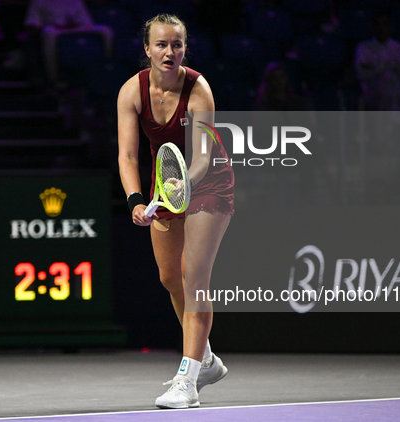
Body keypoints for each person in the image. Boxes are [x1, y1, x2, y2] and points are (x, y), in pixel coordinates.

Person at [117, 14, 234, 409]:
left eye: (177, 45)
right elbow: (128, 155)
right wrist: (135, 198)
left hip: (209, 184)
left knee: (193, 276)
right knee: (170, 278)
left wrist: (187, 182)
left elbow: (201, 156)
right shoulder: (131, 92)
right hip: (165, 185)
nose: (170, 52)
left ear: (185, 48)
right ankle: (207, 360)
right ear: (147, 49)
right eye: (162, 45)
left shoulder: (199, 89)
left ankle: (188, 380)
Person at [23, 0, 114, 85]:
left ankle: (107, 67)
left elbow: (87, 23)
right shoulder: (39, 1)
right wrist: (57, 26)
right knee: (49, 32)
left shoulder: (76, 1)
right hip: (56, 31)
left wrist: (73, 25)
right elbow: (33, 24)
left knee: (106, 30)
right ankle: (54, 77)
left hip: (77, 29)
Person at [354, 11, 400, 111]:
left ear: (390, 26)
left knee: (392, 90)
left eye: (385, 24)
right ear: (374, 26)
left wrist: (376, 69)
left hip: (396, 89)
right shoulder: (363, 48)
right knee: (392, 88)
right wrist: (388, 69)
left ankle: (388, 125)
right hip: (372, 90)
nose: (382, 28)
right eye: (378, 24)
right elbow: (362, 74)